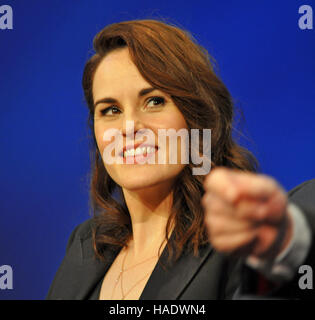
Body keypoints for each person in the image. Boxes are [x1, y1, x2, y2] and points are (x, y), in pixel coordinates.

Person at [46, 19, 315, 300]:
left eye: (154, 101)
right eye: (111, 109)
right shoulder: (86, 245)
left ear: (195, 117)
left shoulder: (241, 240)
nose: (129, 127)